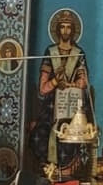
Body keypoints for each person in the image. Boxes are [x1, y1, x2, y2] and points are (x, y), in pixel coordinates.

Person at [30, 10, 90, 170]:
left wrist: (71, 85)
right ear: (57, 30)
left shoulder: (79, 53)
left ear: (73, 30)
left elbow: (83, 82)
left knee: (72, 136)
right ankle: (48, 169)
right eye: (62, 27)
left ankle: (66, 171)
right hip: (51, 106)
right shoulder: (50, 52)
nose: (65, 31)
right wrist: (56, 80)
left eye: (68, 27)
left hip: (72, 105)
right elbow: (42, 89)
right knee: (39, 134)